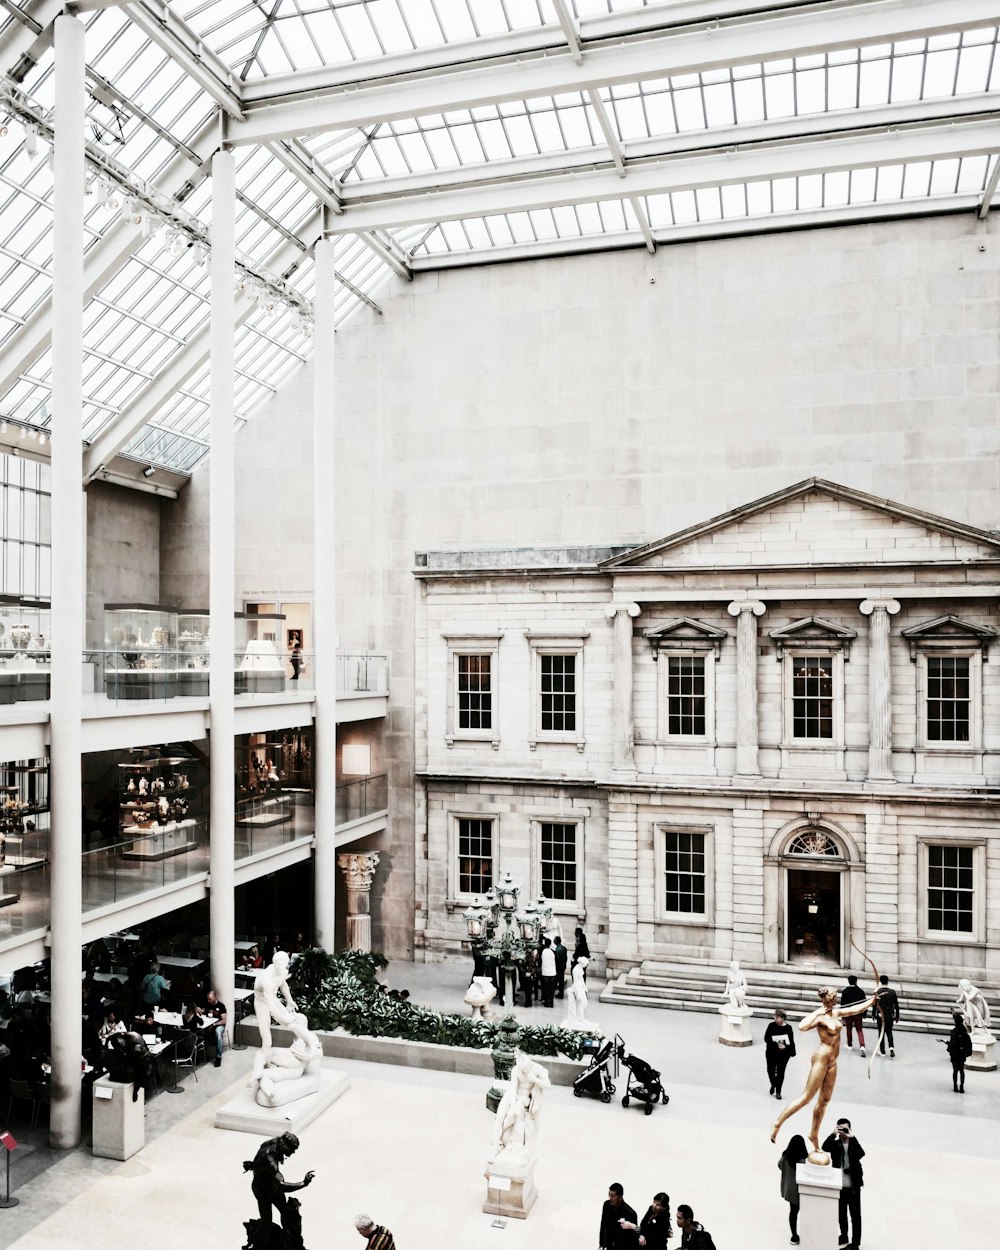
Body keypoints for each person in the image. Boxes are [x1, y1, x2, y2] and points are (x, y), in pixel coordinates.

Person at [770, 983, 877, 1160]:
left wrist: (872, 1001)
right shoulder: (820, 1017)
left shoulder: (836, 1012)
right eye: (831, 999)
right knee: (806, 1097)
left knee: (824, 1101)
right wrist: (818, 1012)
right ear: (825, 999)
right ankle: (778, 1122)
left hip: (833, 1062)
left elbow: (854, 1010)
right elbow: (802, 1026)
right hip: (821, 1058)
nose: (834, 1001)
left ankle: (813, 1134)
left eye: (835, 999)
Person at [242, 1132, 315, 1250]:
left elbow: (258, 1163)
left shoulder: (274, 1142)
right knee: (266, 1223)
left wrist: (254, 1166)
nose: (292, 1153)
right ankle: (258, 1247)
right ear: (283, 1144)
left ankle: (289, 1241)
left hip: (271, 1185)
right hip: (262, 1190)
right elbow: (282, 1186)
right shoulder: (269, 1159)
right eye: (291, 1149)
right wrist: (304, 1183)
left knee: (287, 1212)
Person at [821, 1117, 864, 1250]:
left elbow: (861, 1153)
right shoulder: (835, 1144)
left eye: (846, 1128)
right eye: (841, 1129)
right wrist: (833, 1134)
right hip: (839, 1185)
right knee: (841, 1213)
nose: (843, 1131)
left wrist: (853, 1137)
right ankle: (844, 1235)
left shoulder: (853, 1144)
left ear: (850, 1129)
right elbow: (824, 1147)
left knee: (855, 1216)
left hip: (853, 1186)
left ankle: (855, 1243)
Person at [778, 1134, 807, 1244]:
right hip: (801, 1191)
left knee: (793, 1213)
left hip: (789, 1191)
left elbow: (779, 1165)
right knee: (803, 1212)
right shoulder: (803, 1161)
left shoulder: (786, 1156)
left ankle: (794, 1235)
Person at [764, 1008, 796, 1098]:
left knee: (780, 1072)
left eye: (777, 1017)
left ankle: (778, 1091)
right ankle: (773, 1084)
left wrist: (786, 1047)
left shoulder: (788, 1028)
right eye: (775, 1017)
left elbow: (791, 1041)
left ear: (782, 1018)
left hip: (783, 1054)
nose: (775, 1019)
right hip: (772, 1052)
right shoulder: (771, 1025)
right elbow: (766, 1038)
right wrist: (777, 1044)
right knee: (770, 1070)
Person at [599, 1182, 638, 1250]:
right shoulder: (606, 1205)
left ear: (620, 1197)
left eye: (613, 1196)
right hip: (609, 1246)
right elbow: (603, 1225)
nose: (610, 1198)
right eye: (609, 1194)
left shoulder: (630, 1213)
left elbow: (633, 1238)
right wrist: (602, 1244)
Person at [943, 1011, 973, 1092]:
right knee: (961, 1070)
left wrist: (947, 1043)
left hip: (955, 1053)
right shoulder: (964, 1032)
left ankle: (955, 1086)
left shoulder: (954, 1032)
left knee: (955, 1070)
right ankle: (962, 1086)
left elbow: (953, 1043)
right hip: (962, 1053)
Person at [839, 975, 867, 1056]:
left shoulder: (845, 992)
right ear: (856, 981)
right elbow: (864, 1004)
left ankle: (849, 1044)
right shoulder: (861, 992)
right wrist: (864, 1014)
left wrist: (842, 1015)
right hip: (858, 1013)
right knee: (859, 1030)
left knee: (849, 1029)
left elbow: (843, 1004)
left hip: (848, 1013)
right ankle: (862, 1045)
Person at [873, 974, 900, 1056]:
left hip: (881, 1015)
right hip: (890, 1015)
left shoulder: (878, 992)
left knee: (881, 1033)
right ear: (887, 982)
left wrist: (873, 1014)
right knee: (889, 1032)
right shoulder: (892, 992)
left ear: (880, 981)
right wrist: (897, 1015)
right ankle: (891, 1047)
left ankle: (882, 1051)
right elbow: (896, 1005)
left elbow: (875, 1004)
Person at [204, 988, 228, 1066]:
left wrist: (214, 1024)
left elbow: (224, 1020)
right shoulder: (207, 1004)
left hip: (219, 1024)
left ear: (214, 997)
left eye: (210, 999)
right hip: (208, 1023)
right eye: (208, 999)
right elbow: (204, 1012)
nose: (209, 1001)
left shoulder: (221, 1006)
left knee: (218, 1032)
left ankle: (218, 1057)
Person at [540, 937, 557, 1008]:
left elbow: (541, 960)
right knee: (552, 989)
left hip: (545, 973)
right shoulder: (553, 952)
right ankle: (552, 1003)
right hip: (552, 972)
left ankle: (546, 1002)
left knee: (546, 989)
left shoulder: (543, 952)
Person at [553, 934, 568, 998]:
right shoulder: (564, 948)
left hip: (558, 967)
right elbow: (566, 958)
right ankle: (561, 993)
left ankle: (552, 992)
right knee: (561, 981)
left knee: (555, 980)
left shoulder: (557, 950)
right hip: (563, 966)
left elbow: (556, 959)